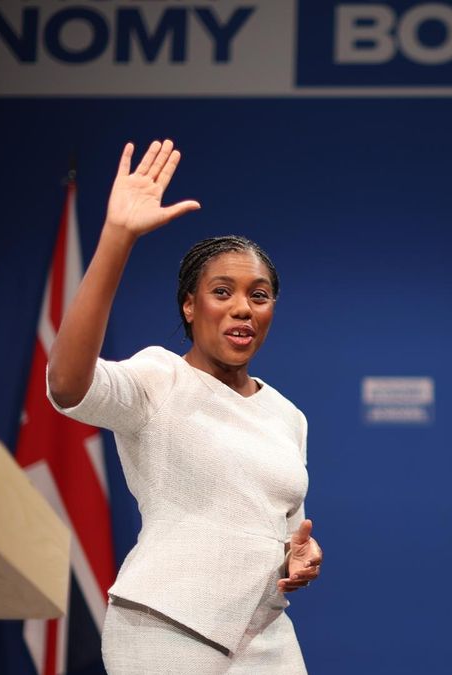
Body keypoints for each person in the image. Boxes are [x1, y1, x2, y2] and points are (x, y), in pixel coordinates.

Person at [46, 139, 322, 674]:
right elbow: (66, 385)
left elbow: (288, 529)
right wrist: (118, 237)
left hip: (266, 633)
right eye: (222, 292)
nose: (242, 307)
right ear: (190, 306)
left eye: (258, 295)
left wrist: (300, 555)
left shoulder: (288, 416)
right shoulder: (160, 377)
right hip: (165, 626)